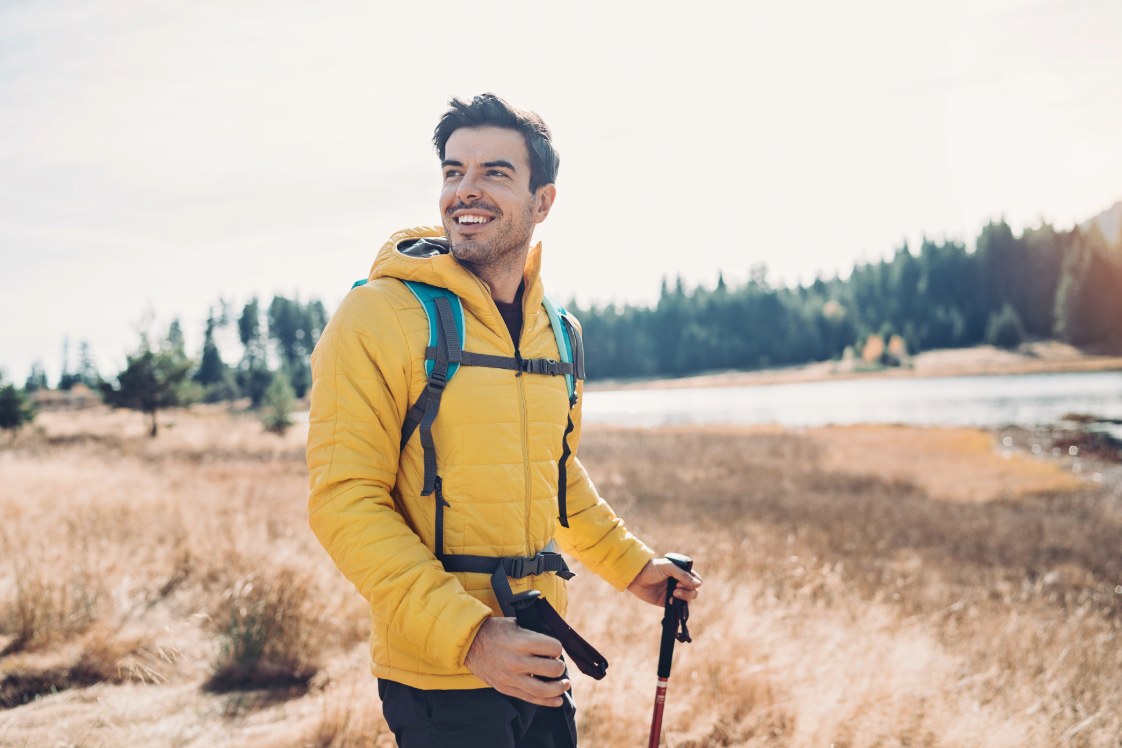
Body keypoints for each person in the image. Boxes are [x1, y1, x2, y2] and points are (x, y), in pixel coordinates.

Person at [307, 93, 701, 747]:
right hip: (440, 676)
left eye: (494, 172)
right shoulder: (376, 316)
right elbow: (343, 501)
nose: (466, 190)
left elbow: (553, 474)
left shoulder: (559, 333)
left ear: (542, 201)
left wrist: (633, 567)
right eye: (454, 171)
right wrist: (470, 635)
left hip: (540, 657)